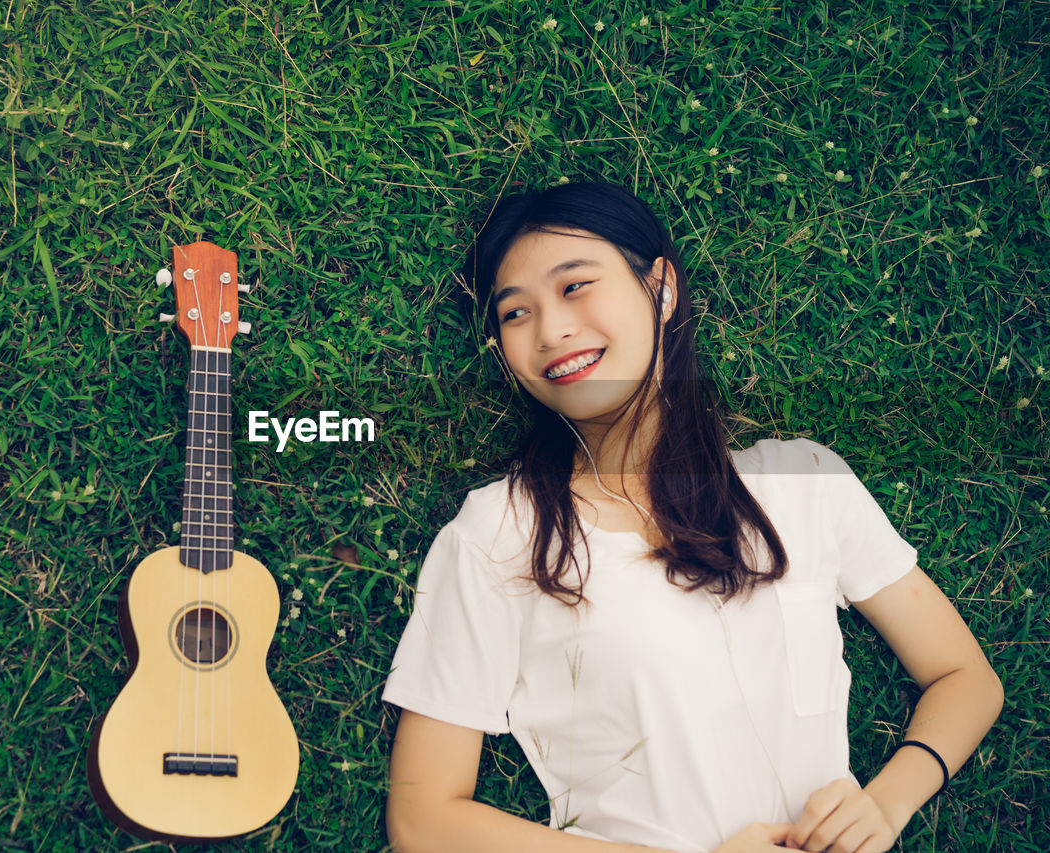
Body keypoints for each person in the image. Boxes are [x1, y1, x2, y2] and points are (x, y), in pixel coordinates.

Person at [381, 181, 1004, 853]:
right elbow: (425, 818)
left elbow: (966, 677)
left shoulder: (803, 481)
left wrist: (886, 801)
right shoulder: (499, 533)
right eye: (514, 313)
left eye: (574, 286)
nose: (551, 330)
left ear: (662, 287)